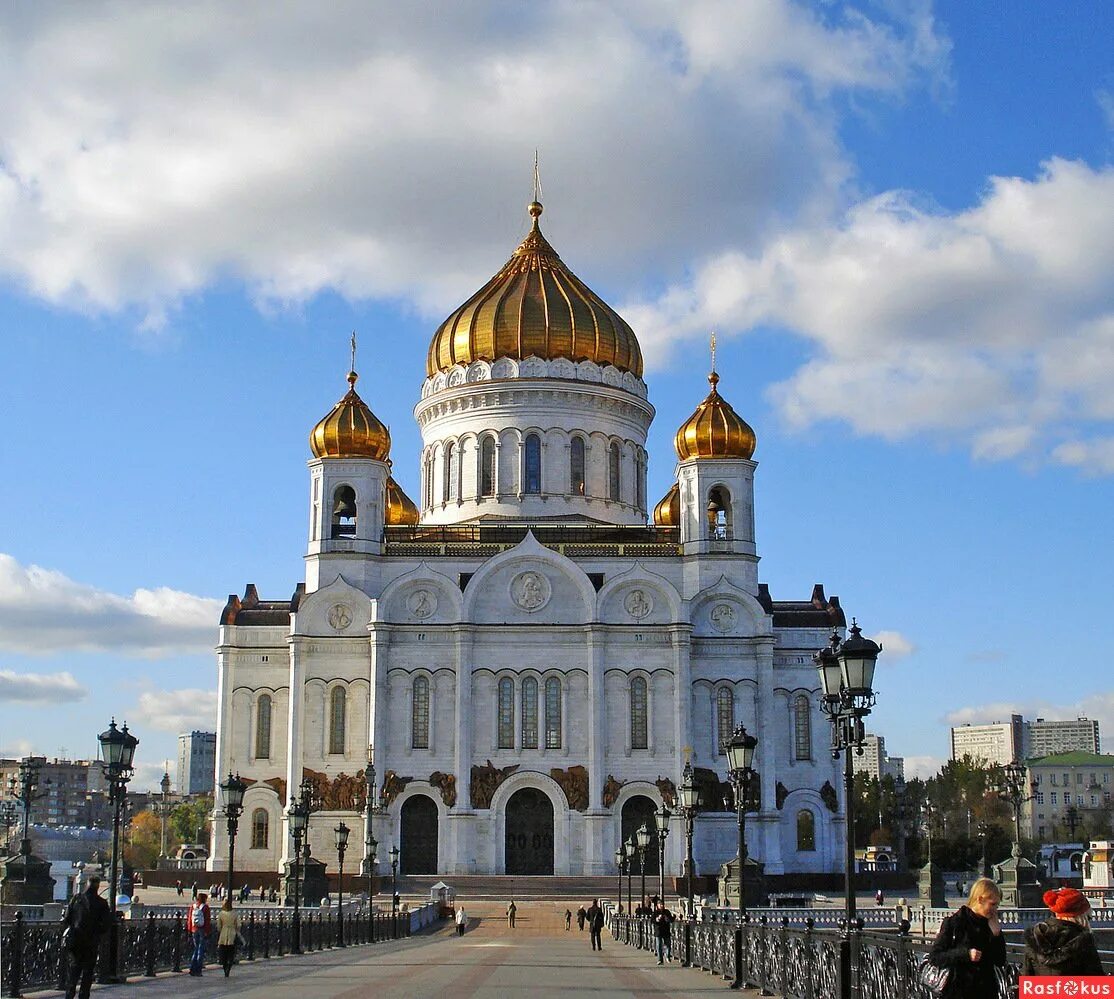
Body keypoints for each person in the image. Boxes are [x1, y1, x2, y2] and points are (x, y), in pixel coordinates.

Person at [926, 878, 1006, 998]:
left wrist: (996, 935)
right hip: (958, 990)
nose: (995, 910)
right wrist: (966, 954)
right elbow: (935, 957)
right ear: (980, 899)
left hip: (986, 991)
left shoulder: (991, 924)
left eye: (997, 905)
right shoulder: (955, 922)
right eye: (992, 904)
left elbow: (1000, 960)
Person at [1022, 887, 1106, 977]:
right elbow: (1096, 977)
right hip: (1073, 989)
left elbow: (1027, 975)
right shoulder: (1083, 940)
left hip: (1044, 990)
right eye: (1088, 917)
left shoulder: (1035, 936)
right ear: (1081, 916)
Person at [62, 874, 111, 999]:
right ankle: (83, 996)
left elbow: (67, 919)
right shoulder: (102, 903)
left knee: (73, 971)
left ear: (86, 885)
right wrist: (96, 932)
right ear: (98, 887)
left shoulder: (76, 899)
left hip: (75, 941)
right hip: (91, 942)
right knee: (87, 973)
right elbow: (106, 925)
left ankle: (69, 995)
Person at [187, 891, 212, 976]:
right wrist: (207, 932)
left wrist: (190, 930)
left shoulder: (193, 906)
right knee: (200, 950)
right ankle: (198, 969)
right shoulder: (205, 907)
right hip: (202, 930)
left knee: (196, 948)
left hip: (194, 930)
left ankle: (192, 968)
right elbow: (207, 921)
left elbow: (190, 919)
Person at [216, 898, 241, 978]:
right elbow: (239, 925)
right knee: (231, 953)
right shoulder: (235, 914)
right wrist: (236, 930)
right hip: (232, 934)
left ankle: (224, 968)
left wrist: (221, 930)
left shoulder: (221, 914)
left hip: (223, 933)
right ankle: (228, 968)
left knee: (223, 953)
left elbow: (218, 926)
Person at [653, 899, 675, 964]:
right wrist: (657, 919)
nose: (662, 906)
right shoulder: (655, 912)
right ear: (658, 905)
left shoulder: (667, 912)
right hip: (658, 931)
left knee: (668, 944)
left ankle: (667, 956)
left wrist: (671, 918)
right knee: (659, 945)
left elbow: (671, 920)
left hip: (666, 930)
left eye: (662, 904)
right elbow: (652, 920)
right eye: (660, 904)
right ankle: (660, 959)